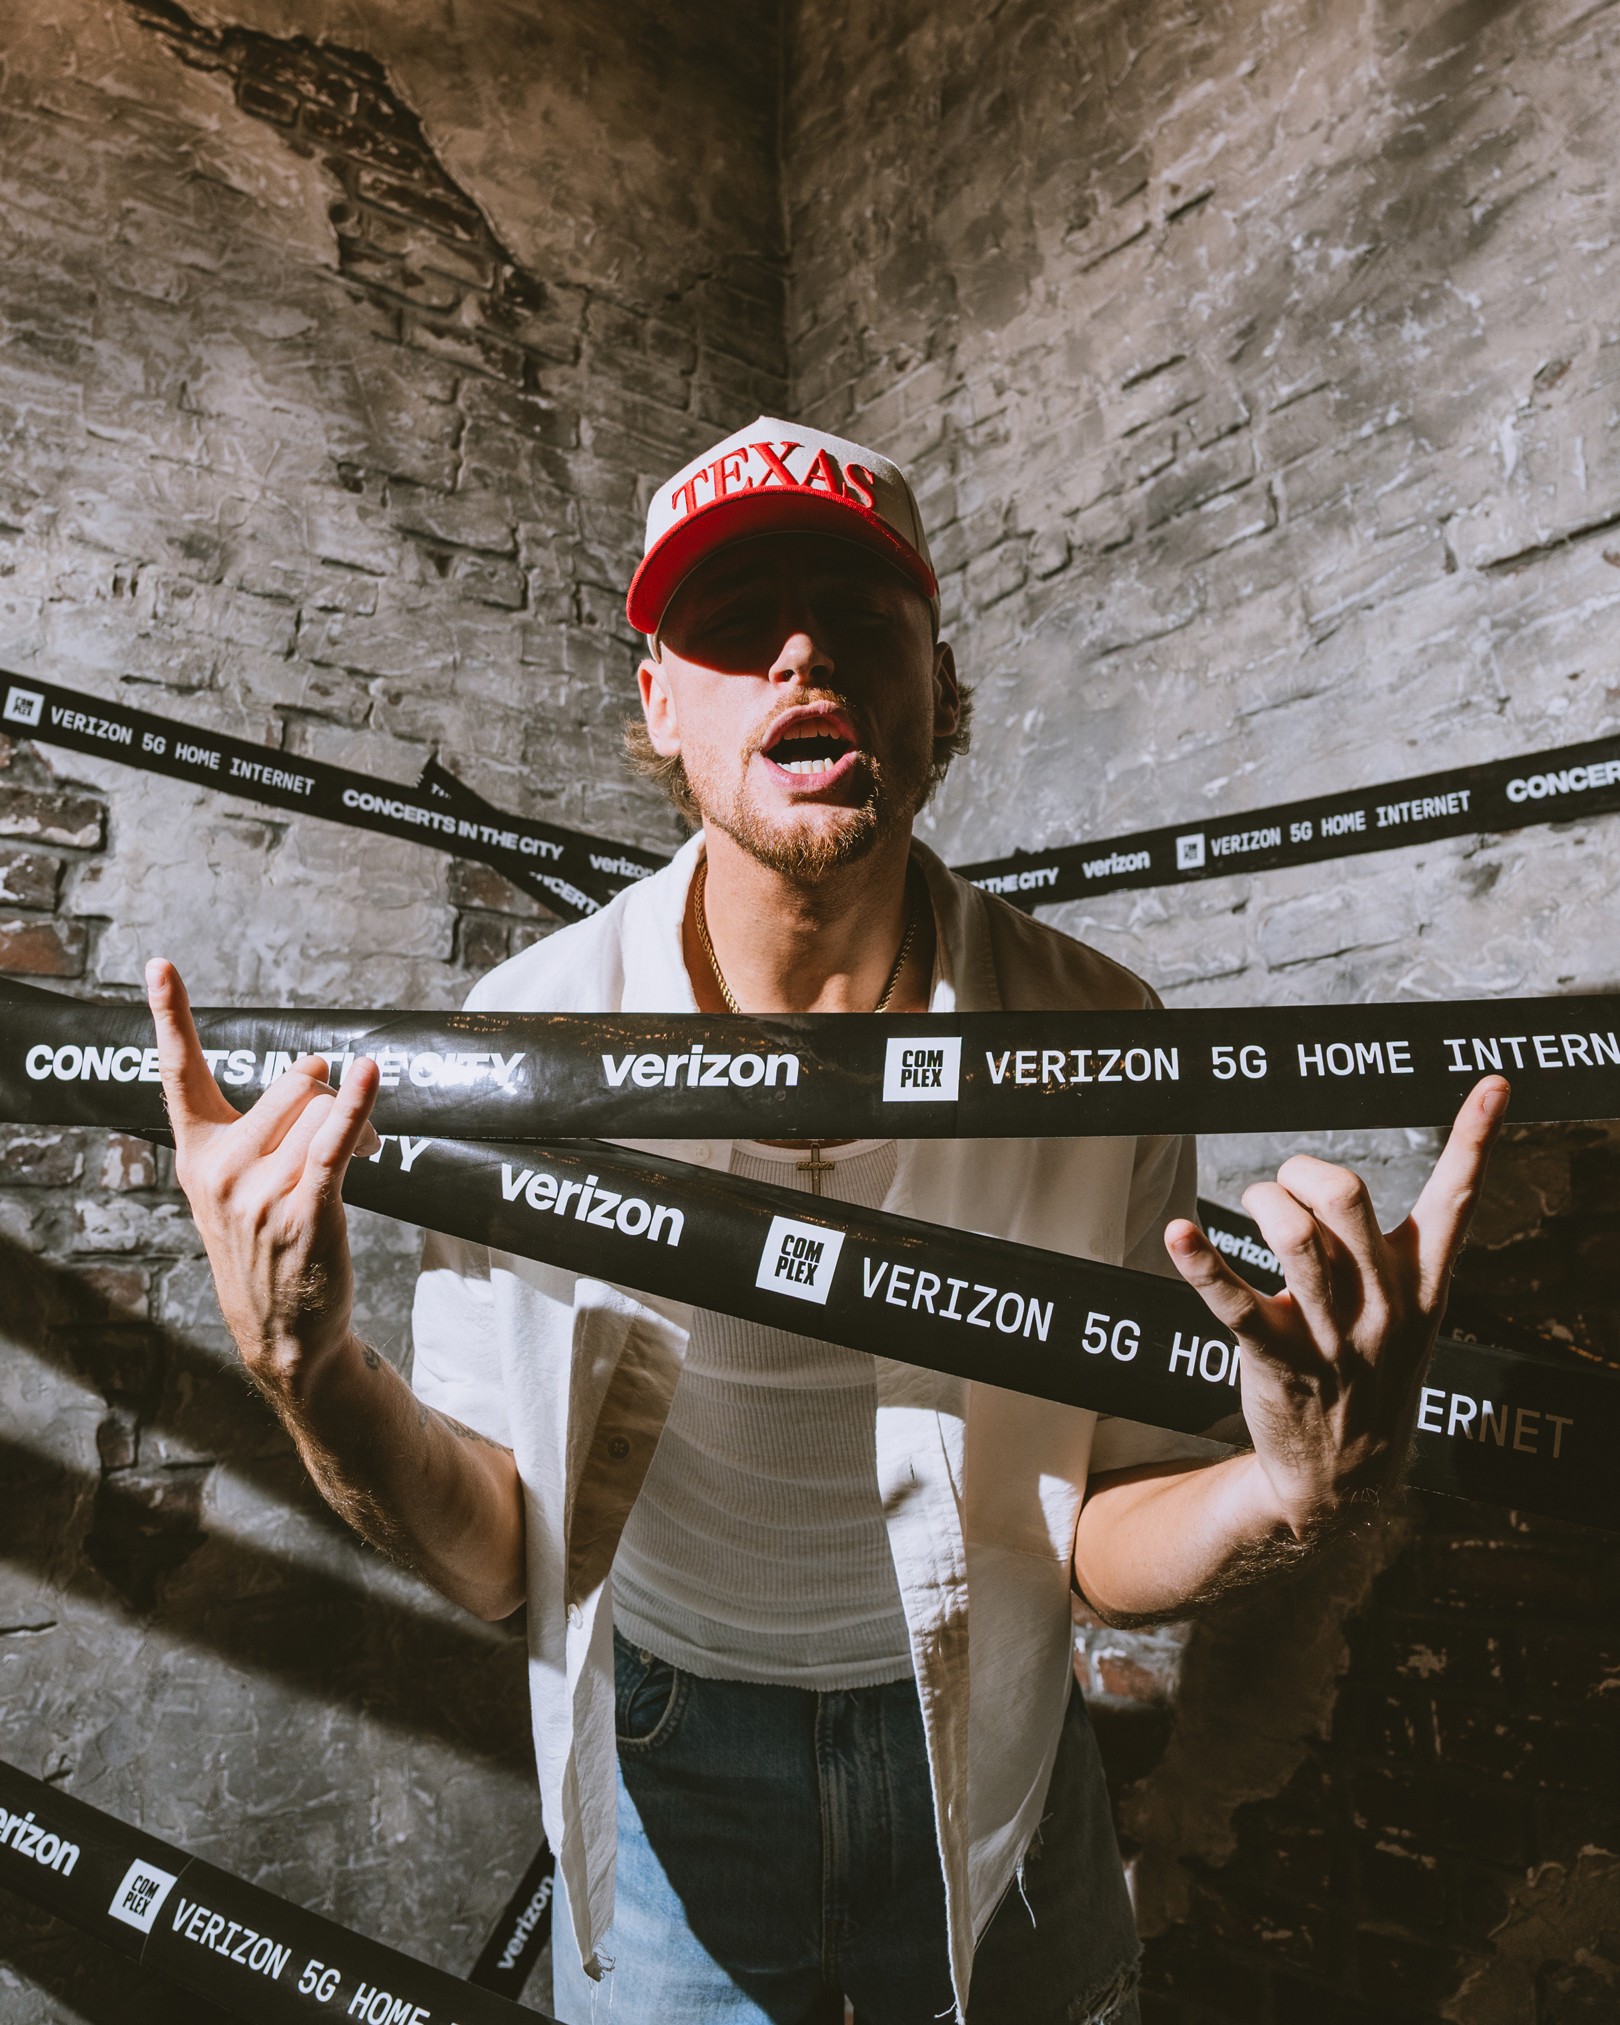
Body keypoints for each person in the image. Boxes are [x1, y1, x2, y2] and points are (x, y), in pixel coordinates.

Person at [146, 417, 1507, 2025]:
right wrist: (307, 1369)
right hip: (670, 1764)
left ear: (938, 685)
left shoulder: (1096, 1038)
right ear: (660, 700)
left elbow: (1097, 1536)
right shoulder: (522, 1042)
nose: (802, 651)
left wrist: (1293, 1489)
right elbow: (502, 1545)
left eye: (859, 614)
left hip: (1000, 1739)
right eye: (739, 621)